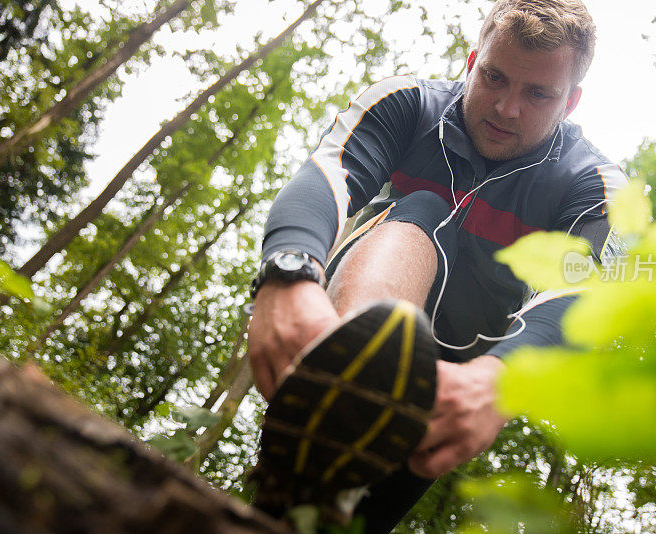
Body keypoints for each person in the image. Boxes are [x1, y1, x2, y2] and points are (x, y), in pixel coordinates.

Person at [247, 0, 627, 530]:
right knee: (423, 208)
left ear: (570, 102)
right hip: (353, 308)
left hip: (455, 388)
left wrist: (499, 381)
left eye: (537, 93)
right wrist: (288, 273)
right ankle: (348, 385)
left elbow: (578, 293)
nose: (506, 108)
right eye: (494, 77)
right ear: (472, 62)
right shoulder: (410, 104)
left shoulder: (592, 183)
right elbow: (330, 175)